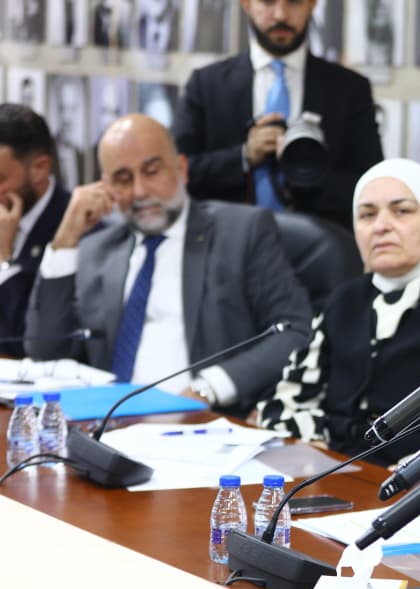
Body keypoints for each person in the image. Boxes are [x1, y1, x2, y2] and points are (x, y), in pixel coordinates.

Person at [24, 114, 311, 415]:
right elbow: (45, 350)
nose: (140, 191)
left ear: (181, 169)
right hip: (107, 423)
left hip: (200, 422)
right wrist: (66, 238)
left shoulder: (241, 232)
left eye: (151, 171)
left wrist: (209, 387)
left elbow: (295, 331)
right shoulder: (96, 250)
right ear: (106, 187)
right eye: (123, 179)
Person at [257, 158, 420, 466]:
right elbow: (284, 403)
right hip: (333, 472)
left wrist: (412, 472)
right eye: (367, 215)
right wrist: (320, 449)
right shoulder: (343, 300)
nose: (381, 226)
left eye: (402, 211)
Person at [171, 0, 383, 230]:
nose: (281, 15)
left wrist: (307, 169)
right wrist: (244, 155)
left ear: (312, 4)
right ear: (246, 4)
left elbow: (371, 185)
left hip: (320, 241)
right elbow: (177, 171)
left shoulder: (349, 89)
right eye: (268, 1)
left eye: (294, 2)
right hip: (225, 237)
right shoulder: (206, 85)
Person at [0, 104, 72, 357]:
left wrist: (4, 258)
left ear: (39, 168)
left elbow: (27, 341)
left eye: (0, 179)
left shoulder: (75, 229)